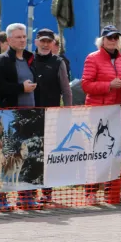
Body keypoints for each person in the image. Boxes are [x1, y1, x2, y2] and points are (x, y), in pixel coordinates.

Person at [0, 23, 39, 210]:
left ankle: (25, 197)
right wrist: (21, 88)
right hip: (9, 117)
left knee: (28, 159)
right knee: (5, 160)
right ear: (9, 40)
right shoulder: (1, 61)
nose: (22, 40)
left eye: (24, 37)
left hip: (31, 117)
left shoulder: (29, 60)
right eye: (18, 37)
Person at [81, 25, 121, 205]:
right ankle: (90, 193)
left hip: (116, 112)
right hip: (98, 112)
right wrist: (109, 85)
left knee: (116, 153)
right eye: (109, 38)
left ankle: (113, 192)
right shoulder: (92, 58)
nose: (112, 41)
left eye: (116, 38)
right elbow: (86, 85)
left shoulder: (120, 60)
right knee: (95, 153)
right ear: (102, 40)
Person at [33, 28, 73, 204]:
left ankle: (46, 192)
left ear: (53, 44)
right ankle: (29, 191)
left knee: (47, 154)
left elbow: (66, 89)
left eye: (48, 41)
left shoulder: (58, 62)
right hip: (30, 113)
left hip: (52, 114)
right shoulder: (27, 59)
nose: (45, 44)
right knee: (31, 154)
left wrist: (68, 111)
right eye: (42, 40)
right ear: (36, 41)